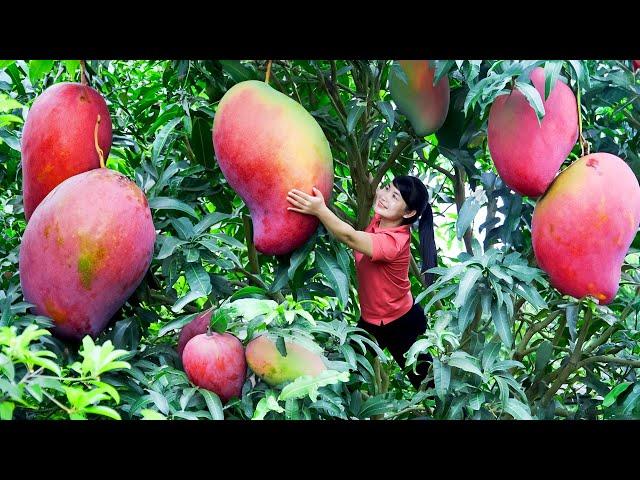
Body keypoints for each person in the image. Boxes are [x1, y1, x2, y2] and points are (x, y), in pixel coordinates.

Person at [286, 175, 437, 390]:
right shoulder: (381, 219)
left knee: (430, 388)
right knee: (342, 380)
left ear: (409, 213)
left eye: (395, 196)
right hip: (372, 321)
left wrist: (320, 210)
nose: (384, 197)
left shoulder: (394, 242)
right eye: (386, 188)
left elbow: (349, 237)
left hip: (400, 323)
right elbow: (376, 193)